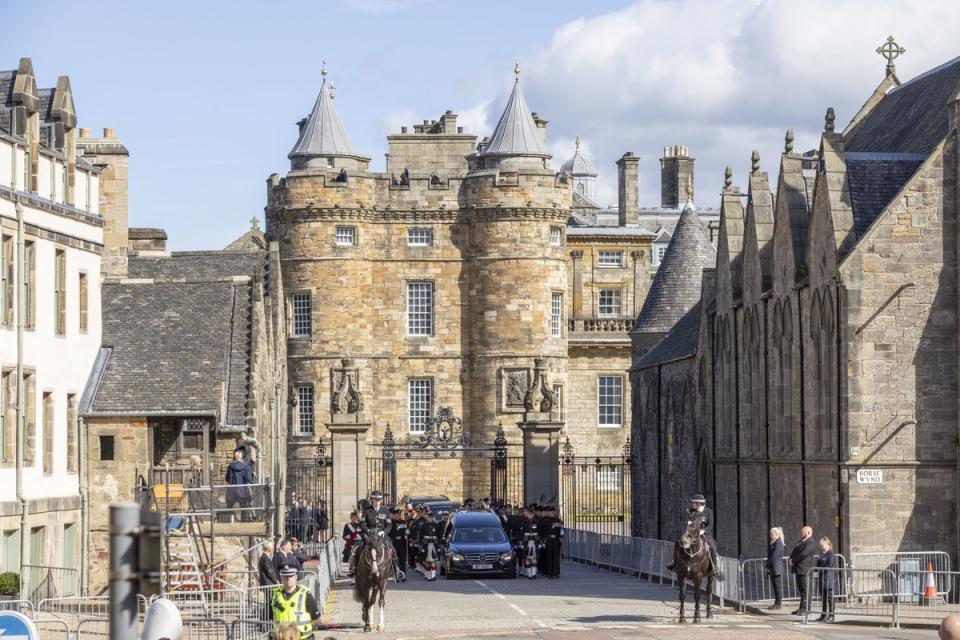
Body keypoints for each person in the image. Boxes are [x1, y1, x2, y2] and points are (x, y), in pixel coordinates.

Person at [667, 494, 723, 580]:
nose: (691, 505)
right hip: (691, 534)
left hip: (705, 535)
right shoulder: (691, 511)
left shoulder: (709, 512)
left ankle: (714, 568)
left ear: (699, 504)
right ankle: (674, 562)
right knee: (678, 543)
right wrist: (687, 529)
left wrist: (702, 531)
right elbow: (689, 523)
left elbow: (710, 526)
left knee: (713, 547)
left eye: (693, 503)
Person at [271, 565, 320, 639]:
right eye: (285, 576)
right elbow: (271, 617)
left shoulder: (305, 594)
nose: (288, 579)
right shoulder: (276, 596)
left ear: (296, 577)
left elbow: (316, 619)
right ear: (281, 578)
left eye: (291, 576)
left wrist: (303, 632)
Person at [789, 526, 817, 615]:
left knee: (806, 590)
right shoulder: (800, 542)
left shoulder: (811, 542)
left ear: (808, 532)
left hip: (805, 570)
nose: (801, 533)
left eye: (803, 532)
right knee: (802, 591)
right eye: (801, 532)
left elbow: (803, 554)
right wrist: (790, 559)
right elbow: (794, 551)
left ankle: (807, 609)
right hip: (798, 569)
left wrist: (793, 560)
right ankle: (801, 608)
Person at [225, 450, 253, 522]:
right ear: (242, 456)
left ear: (235, 456)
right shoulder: (246, 467)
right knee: (243, 507)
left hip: (232, 489)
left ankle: (228, 522)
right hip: (242, 490)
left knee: (229, 506)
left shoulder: (231, 466)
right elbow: (249, 479)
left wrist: (232, 481)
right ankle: (243, 522)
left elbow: (227, 478)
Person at [816, 537, 837, 622]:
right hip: (822, 579)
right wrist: (818, 561)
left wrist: (821, 567)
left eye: (822, 545)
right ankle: (823, 615)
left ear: (827, 544)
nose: (821, 547)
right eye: (820, 546)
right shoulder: (821, 555)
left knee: (829, 598)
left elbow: (830, 565)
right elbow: (817, 568)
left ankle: (831, 615)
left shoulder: (830, 554)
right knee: (823, 598)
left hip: (829, 579)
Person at [258, 541, 279, 620]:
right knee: (269, 602)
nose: (273, 551)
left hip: (268, 584)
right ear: (269, 549)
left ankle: (265, 619)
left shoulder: (265, 557)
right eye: (272, 549)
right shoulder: (264, 558)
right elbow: (269, 571)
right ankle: (263, 620)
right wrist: (276, 581)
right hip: (268, 584)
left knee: (270, 602)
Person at [542, 505, 563, 579]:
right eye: (551, 512)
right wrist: (544, 541)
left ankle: (556, 573)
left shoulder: (558, 520)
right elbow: (544, 532)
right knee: (549, 557)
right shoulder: (545, 521)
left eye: (553, 512)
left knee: (556, 557)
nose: (552, 514)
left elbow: (561, 531)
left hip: (556, 540)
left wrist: (561, 537)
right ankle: (550, 573)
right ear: (549, 513)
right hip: (549, 540)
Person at [387, 508, 409, 581]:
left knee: (402, 560)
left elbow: (406, 531)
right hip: (394, 543)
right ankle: (396, 575)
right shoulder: (390, 523)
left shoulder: (403, 522)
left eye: (398, 515)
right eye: (396, 515)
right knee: (395, 560)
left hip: (402, 543)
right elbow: (388, 534)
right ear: (393, 515)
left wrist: (407, 533)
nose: (397, 516)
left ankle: (403, 575)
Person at [766, 527, 784, 610]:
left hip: (776, 567)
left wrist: (768, 565)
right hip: (774, 567)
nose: (770, 536)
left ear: (776, 534)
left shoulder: (778, 543)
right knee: (775, 586)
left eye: (772, 534)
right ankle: (776, 602)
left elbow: (774, 556)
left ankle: (778, 604)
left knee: (777, 587)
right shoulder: (774, 543)